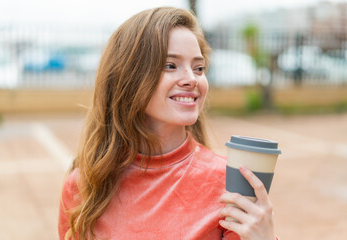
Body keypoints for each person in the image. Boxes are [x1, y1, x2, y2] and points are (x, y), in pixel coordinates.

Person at [58, 7, 277, 240]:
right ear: (130, 77)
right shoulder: (83, 186)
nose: (191, 79)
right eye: (170, 65)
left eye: (198, 68)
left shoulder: (230, 185)